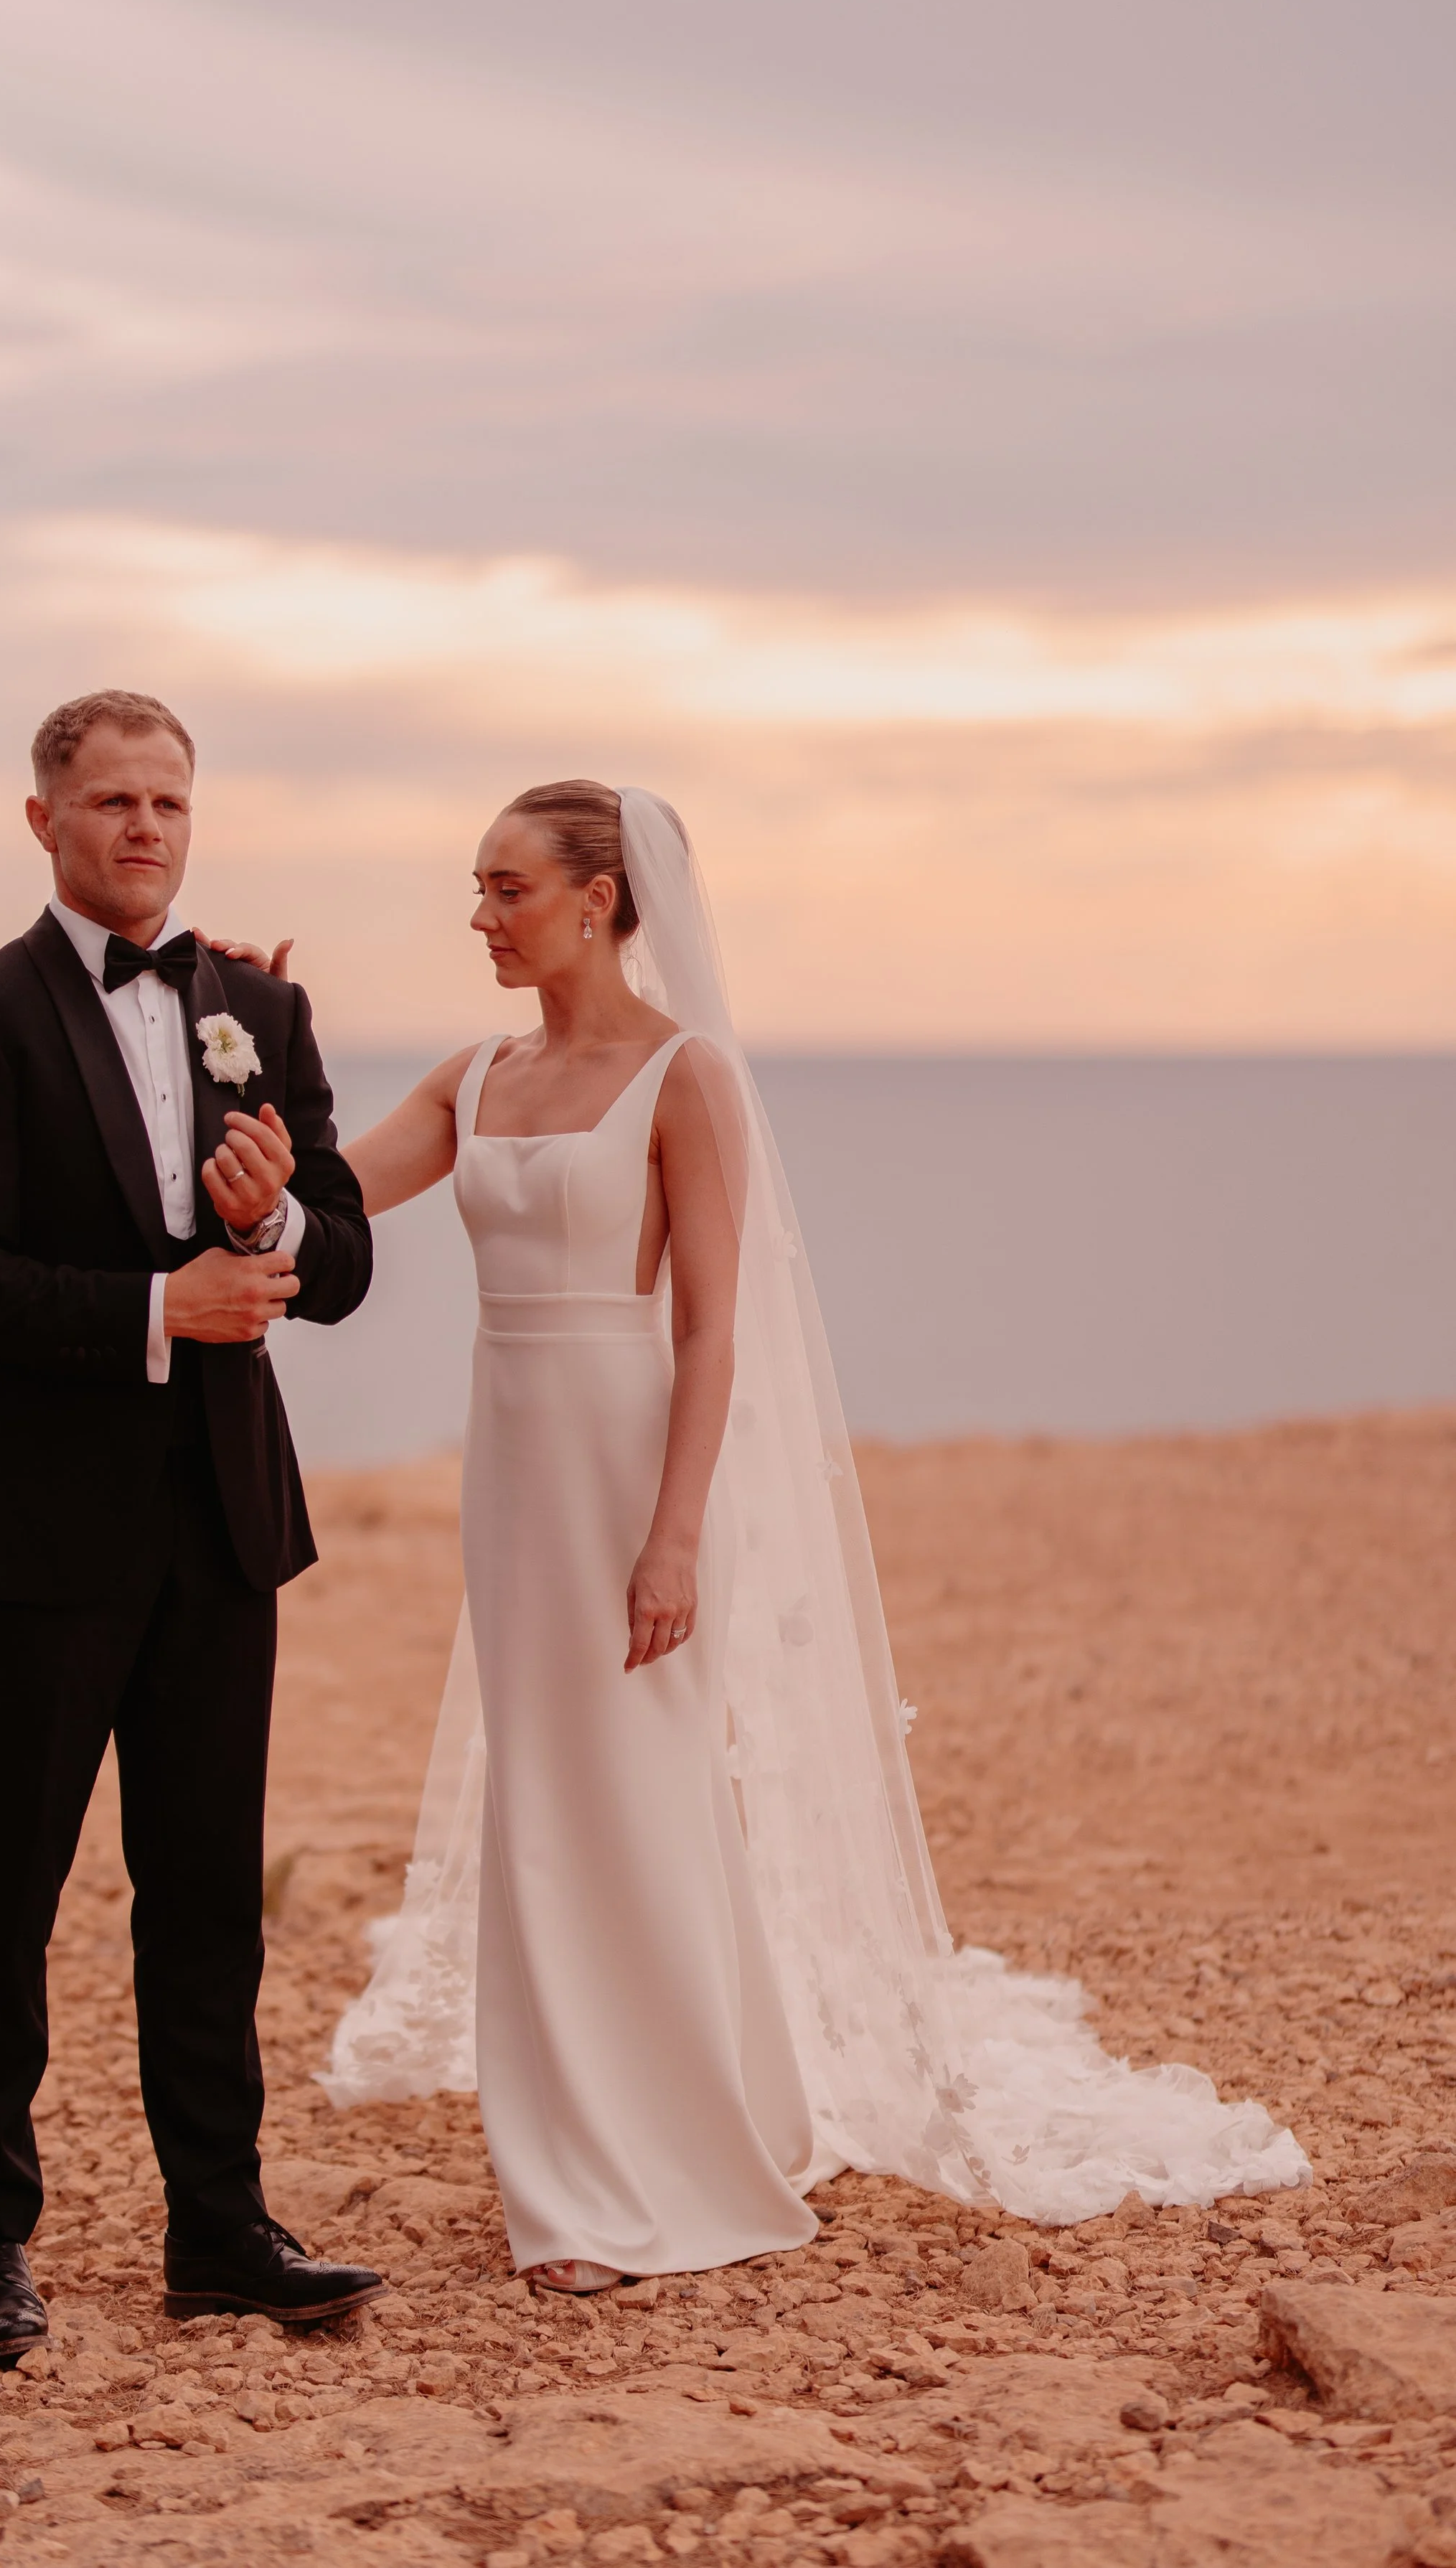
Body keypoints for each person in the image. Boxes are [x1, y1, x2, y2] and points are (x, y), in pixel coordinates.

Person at [217, 779, 1310, 2290]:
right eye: (473, 890)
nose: (478, 916)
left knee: (640, 1800)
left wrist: (674, 1538)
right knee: (542, 1798)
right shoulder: (475, 1074)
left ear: (598, 899)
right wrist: (267, 1035)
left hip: (632, 1467)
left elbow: (717, 1328)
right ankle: (587, 2150)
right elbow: (327, 1198)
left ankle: (649, 2172)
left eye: (505, 888)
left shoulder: (683, 1078)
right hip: (515, 1470)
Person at [0, 688, 384, 2357]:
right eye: (110, 802)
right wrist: (158, 1308)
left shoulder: (258, 1004)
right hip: (43, 1534)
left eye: (168, 802)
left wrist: (285, 1231)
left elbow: (343, 1259)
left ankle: (220, 2228)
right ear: (44, 820)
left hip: (223, 1525)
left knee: (204, 1892)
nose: (144, 829)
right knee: (9, 1887)